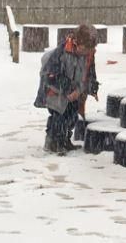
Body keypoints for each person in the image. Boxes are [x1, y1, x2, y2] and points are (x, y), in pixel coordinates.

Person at [34, 24, 99, 154]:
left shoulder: (89, 54)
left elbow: (90, 71)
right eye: (85, 48)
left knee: (71, 116)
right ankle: (52, 142)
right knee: (59, 116)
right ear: (76, 42)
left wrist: (92, 87)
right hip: (55, 89)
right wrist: (68, 90)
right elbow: (52, 75)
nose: (87, 52)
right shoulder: (61, 52)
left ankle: (65, 140)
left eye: (90, 49)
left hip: (75, 91)